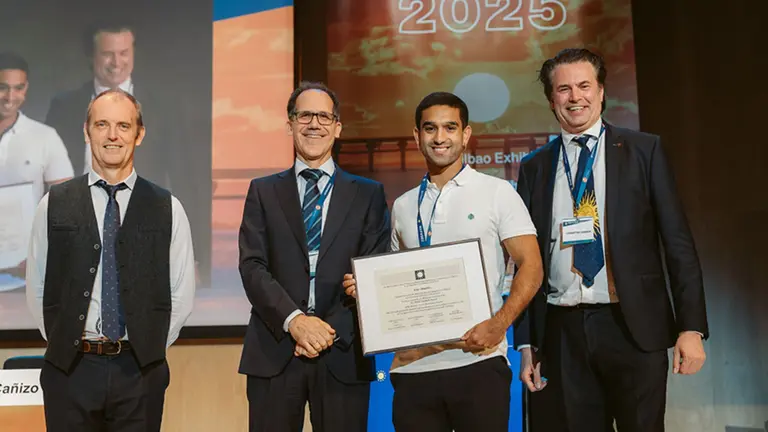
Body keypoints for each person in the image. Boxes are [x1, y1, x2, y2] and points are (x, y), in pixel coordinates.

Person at [514, 48, 708, 431]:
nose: (575, 97)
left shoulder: (643, 150)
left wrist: (691, 327)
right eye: (564, 89)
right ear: (551, 99)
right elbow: (526, 261)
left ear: (601, 92)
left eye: (585, 86)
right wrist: (527, 344)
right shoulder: (535, 166)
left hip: (632, 327)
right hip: (562, 331)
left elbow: (678, 244)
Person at [343, 92, 544, 431]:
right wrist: (365, 289)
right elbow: (395, 281)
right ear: (416, 136)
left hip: (478, 360)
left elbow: (533, 267)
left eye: (450, 127)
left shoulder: (497, 192)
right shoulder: (404, 206)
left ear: (466, 134)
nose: (439, 137)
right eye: (430, 128)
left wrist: (498, 325)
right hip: (412, 368)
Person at [26, 89, 196, 432]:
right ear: (86, 131)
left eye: (123, 125)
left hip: (140, 372)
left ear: (139, 133)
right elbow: (39, 287)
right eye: (102, 124)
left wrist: (146, 347)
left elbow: (181, 293)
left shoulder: (168, 208)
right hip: (70, 371)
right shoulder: (53, 204)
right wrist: (69, 342)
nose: (113, 135)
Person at [238, 81, 391, 432]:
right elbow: (252, 266)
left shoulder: (368, 195)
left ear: (337, 127)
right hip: (275, 350)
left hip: (342, 351)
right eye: (304, 115)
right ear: (290, 123)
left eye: (324, 116)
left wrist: (324, 332)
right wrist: (295, 322)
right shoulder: (263, 191)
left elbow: (371, 273)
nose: (314, 124)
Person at [44, 20, 211, 285]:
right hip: (78, 237)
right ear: (91, 55)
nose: (116, 62)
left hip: (146, 236)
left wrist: (196, 257)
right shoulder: (63, 107)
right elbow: (49, 180)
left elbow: (185, 182)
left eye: (123, 53)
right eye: (107, 53)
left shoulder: (164, 107)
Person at [0, 52, 73, 286]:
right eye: (2, 87)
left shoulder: (45, 137)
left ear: (26, 88)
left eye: (18, 88)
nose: (10, 97)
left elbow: (66, 204)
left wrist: (42, 253)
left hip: (26, 272)